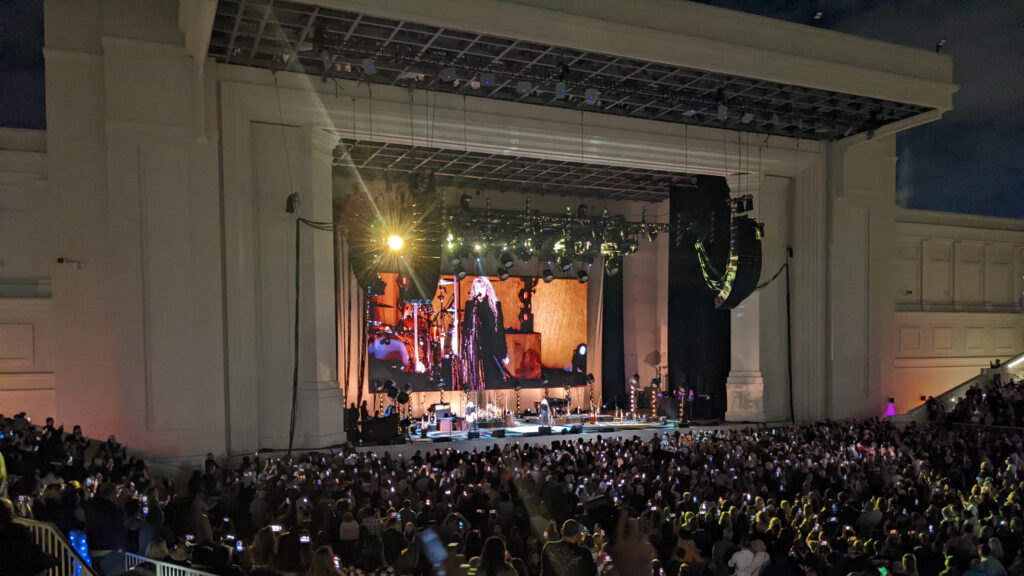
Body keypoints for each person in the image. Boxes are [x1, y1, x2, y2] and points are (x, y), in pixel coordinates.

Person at [462, 276, 508, 392]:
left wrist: (504, 353)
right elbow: (466, 329)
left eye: (482, 286)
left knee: (493, 380)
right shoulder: (470, 305)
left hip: (492, 347)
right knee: (476, 381)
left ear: (487, 288)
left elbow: (500, 330)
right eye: (477, 287)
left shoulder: (495, 305)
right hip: (475, 348)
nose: (480, 289)